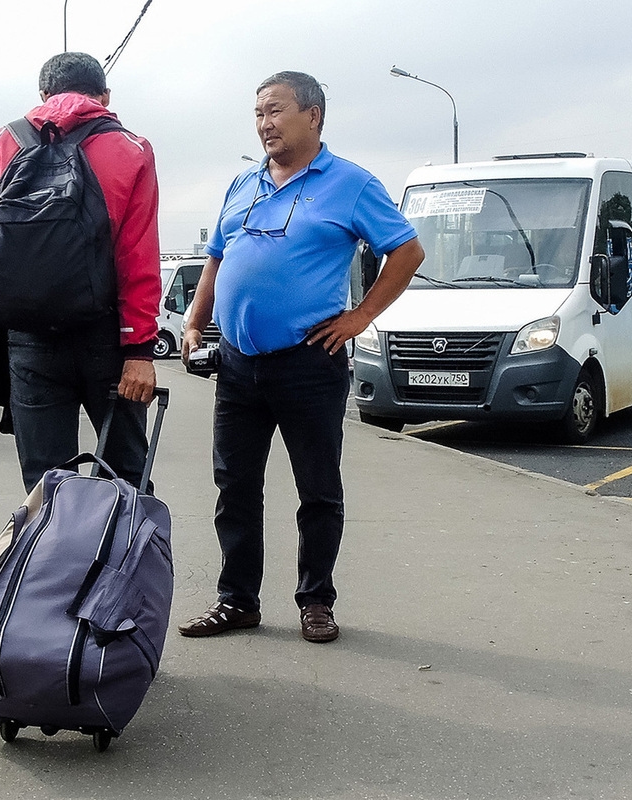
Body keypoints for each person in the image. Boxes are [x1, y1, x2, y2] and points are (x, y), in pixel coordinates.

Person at [178, 71, 424, 643]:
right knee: (234, 486)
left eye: (276, 111)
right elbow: (216, 257)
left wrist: (360, 317)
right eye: (258, 113)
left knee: (317, 488)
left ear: (313, 115)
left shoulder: (352, 184)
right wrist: (195, 319)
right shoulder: (244, 182)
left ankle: (316, 600)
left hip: (308, 363)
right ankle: (236, 601)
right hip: (239, 365)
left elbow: (407, 251)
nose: (265, 123)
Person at [0, 51, 161, 491]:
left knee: (45, 484)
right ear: (104, 96)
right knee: (124, 477)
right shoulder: (131, 149)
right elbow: (138, 256)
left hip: (30, 340)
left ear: (43, 95)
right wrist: (139, 350)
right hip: (109, 339)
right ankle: (119, 560)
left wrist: (7, 291)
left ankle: (54, 559)